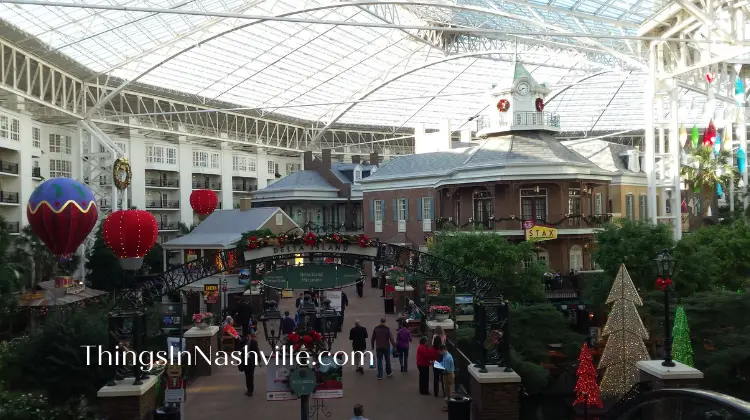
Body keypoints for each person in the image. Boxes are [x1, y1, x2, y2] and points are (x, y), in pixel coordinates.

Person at [239, 331, 260, 397]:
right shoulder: (242, 342)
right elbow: (238, 350)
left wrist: (259, 361)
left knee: (250, 375)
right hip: (245, 361)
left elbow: (257, 351)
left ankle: (250, 390)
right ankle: (249, 389)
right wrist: (241, 349)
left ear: (250, 336)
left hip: (251, 362)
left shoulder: (254, 342)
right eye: (246, 337)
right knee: (247, 376)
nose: (247, 338)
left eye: (248, 336)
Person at [438, 344, 455, 411]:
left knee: (448, 391)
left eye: (440, 352)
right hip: (447, 374)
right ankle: (448, 405)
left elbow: (446, 368)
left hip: (448, 375)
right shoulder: (446, 356)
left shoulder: (447, 357)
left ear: (443, 350)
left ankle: (449, 406)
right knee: (447, 390)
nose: (440, 353)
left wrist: (438, 365)